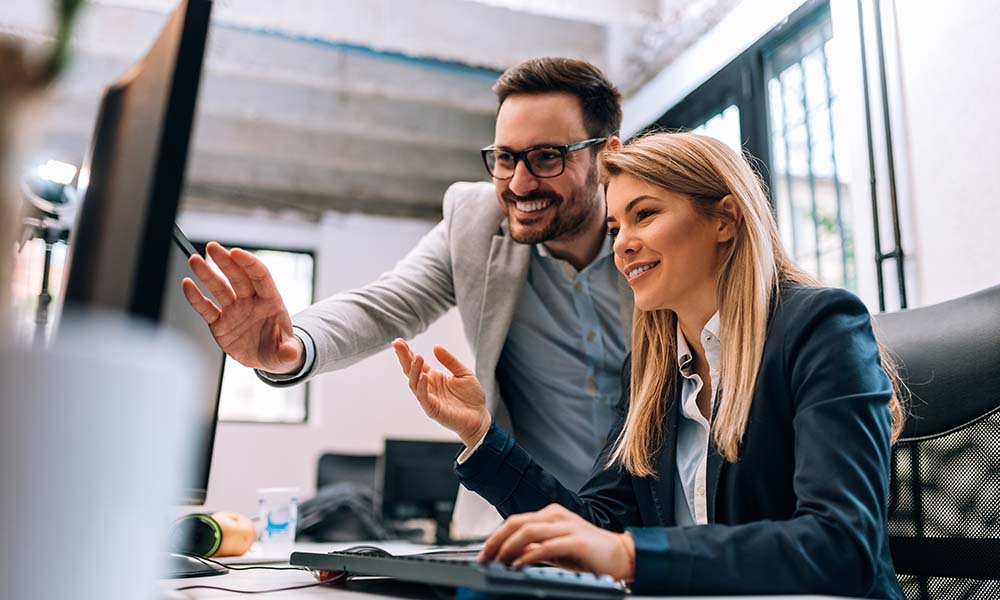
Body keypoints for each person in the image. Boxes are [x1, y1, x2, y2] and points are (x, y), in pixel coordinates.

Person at [390, 131, 906, 599]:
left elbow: (842, 545)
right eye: (616, 226)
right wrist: (481, 434)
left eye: (646, 215)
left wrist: (631, 556)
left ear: (725, 219)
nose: (623, 244)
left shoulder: (822, 328)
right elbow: (595, 527)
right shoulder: (650, 370)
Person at [180, 58, 633, 534]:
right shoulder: (476, 222)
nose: (519, 183)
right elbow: (386, 304)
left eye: (547, 157)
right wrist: (293, 345)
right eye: (504, 158)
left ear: (606, 155)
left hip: (655, 522)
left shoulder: (657, 234)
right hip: (527, 522)